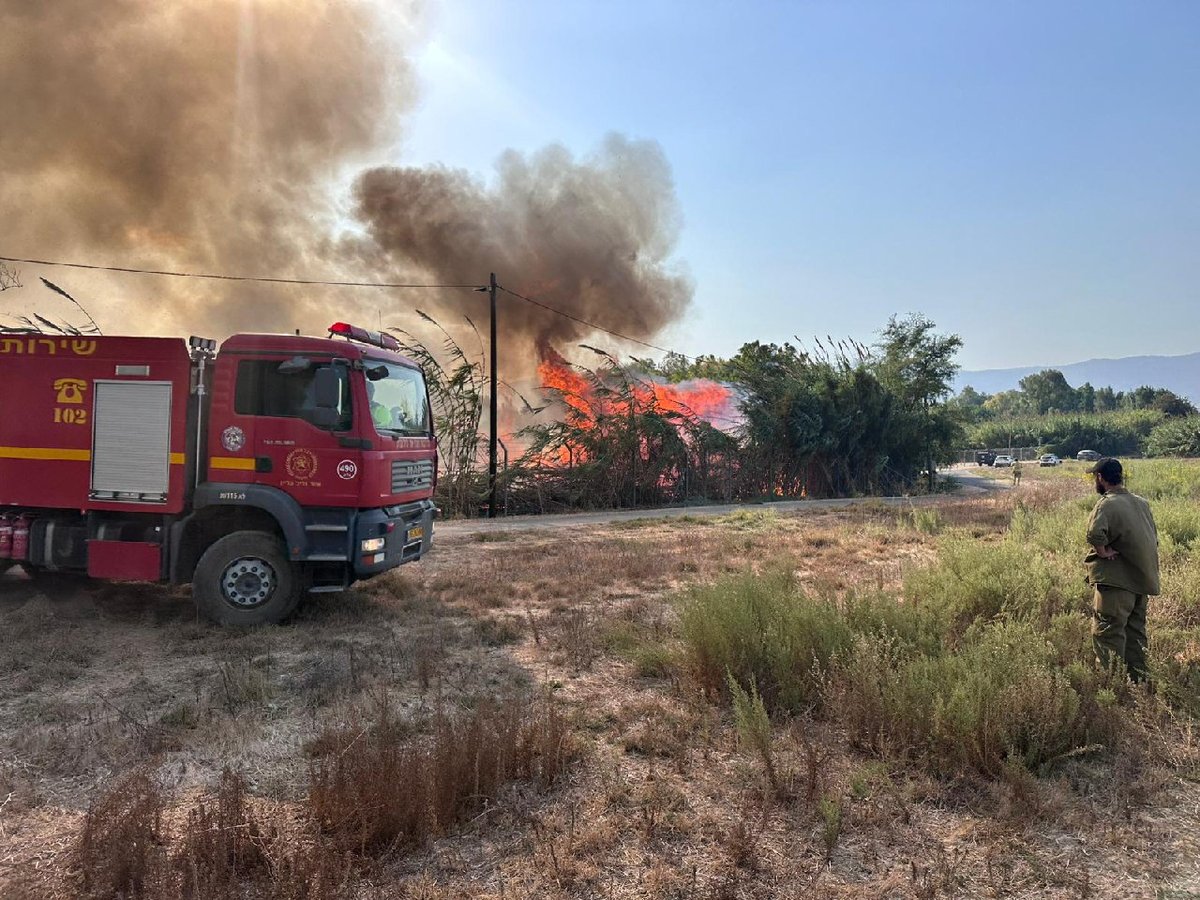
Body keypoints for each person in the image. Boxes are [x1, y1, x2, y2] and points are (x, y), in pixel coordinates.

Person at [1083, 457, 1159, 682]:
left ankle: (1112, 688)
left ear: (1100, 478)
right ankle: (1140, 684)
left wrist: (1103, 551)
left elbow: (1094, 534)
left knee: (1108, 635)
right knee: (1135, 635)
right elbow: (1154, 540)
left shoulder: (1107, 503)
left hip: (1117, 584)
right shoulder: (1141, 502)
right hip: (1141, 582)